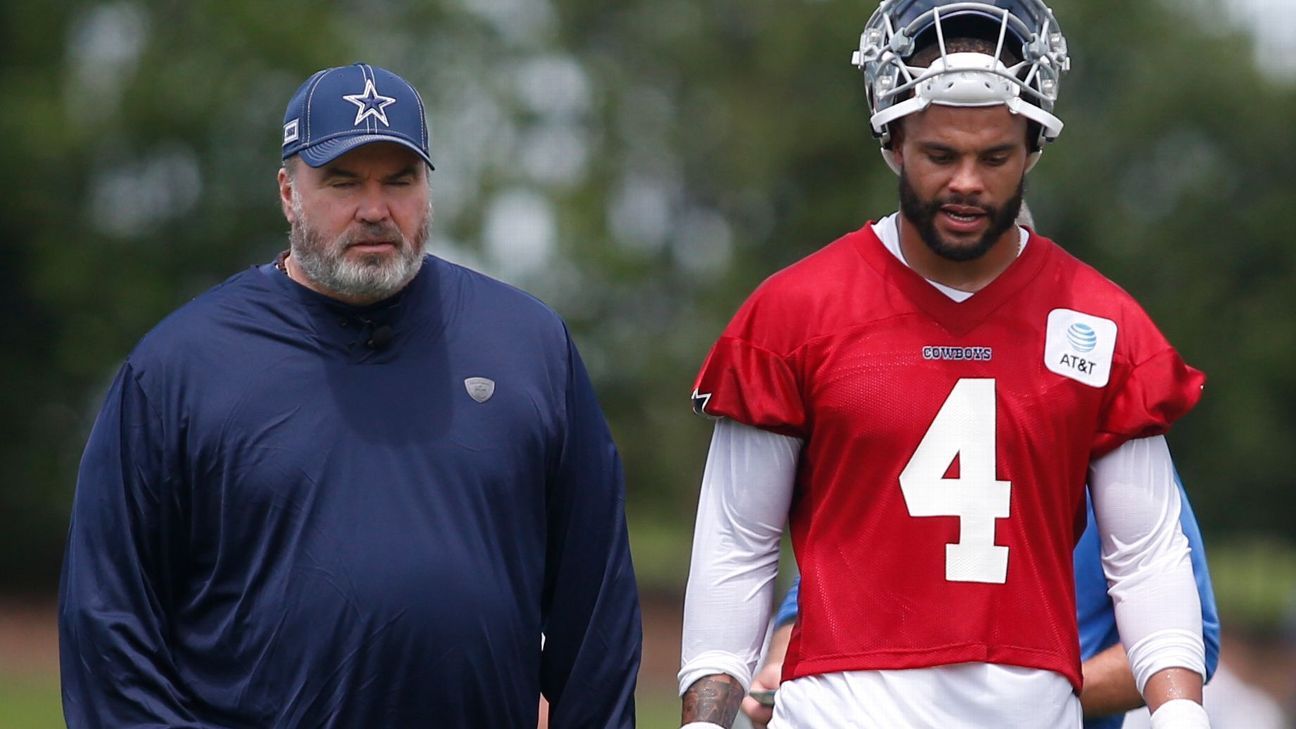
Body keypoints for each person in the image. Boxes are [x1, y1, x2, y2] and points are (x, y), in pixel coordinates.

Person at [59, 62, 641, 727]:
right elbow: (107, 624)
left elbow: (597, 613)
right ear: (287, 191)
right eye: (342, 181)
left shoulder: (529, 345)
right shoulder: (179, 368)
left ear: (429, 189)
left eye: (400, 181)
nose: (374, 208)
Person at [678, 2, 1211, 727]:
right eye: (940, 155)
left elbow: (1146, 554)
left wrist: (1183, 715)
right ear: (893, 141)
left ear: (1033, 147)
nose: (967, 181)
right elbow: (737, 541)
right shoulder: (795, 309)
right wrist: (706, 716)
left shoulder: (1100, 318)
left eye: (994, 156)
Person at [742, 474, 1222, 729]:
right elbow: (812, 600)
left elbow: (1187, 641)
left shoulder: (1116, 462)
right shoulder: (902, 437)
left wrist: (1022, 697)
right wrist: (779, 675)